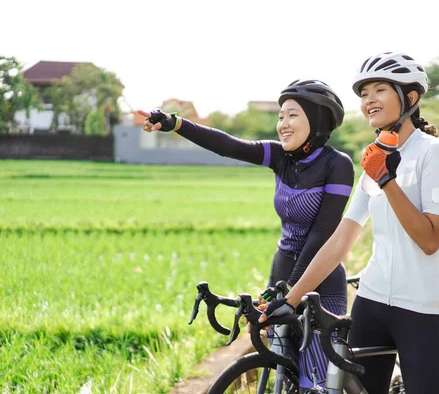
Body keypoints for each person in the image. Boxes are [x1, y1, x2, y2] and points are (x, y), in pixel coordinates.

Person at [137, 79, 354, 391]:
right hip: (282, 272)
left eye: (292, 115)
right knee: (280, 369)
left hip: (321, 282)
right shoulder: (281, 157)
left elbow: (322, 232)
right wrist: (174, 123)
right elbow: (229, 145)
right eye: (280, 116)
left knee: (315, 381)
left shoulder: (337, 165)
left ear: (318, 121)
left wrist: (292, 291)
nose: (283, 124)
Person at [261, 52, 439, 393]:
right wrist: (291, 299)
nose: (369, 100)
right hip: (373, 301)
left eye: (379, 90)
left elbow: (430, 240)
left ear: (410, 97)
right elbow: (341, 239)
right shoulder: (374, 156)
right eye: (364, 93)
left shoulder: (432, 152)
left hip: (421, 306)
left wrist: (386, 180)